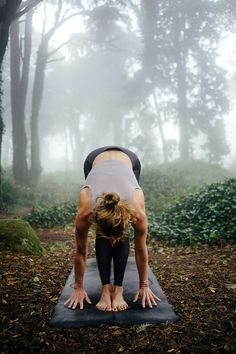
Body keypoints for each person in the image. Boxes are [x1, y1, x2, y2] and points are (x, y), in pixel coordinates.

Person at [64, 146, 160, 312]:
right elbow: (81, 251)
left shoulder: (136, 210)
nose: (113, 242)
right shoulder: (86, 210)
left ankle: (119, 290)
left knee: (117, 235)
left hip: (130, 160)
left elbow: (140, 249)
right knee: (106, 234)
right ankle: (105, 290)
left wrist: (144, 285)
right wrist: (78, 287)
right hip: (94, 159)